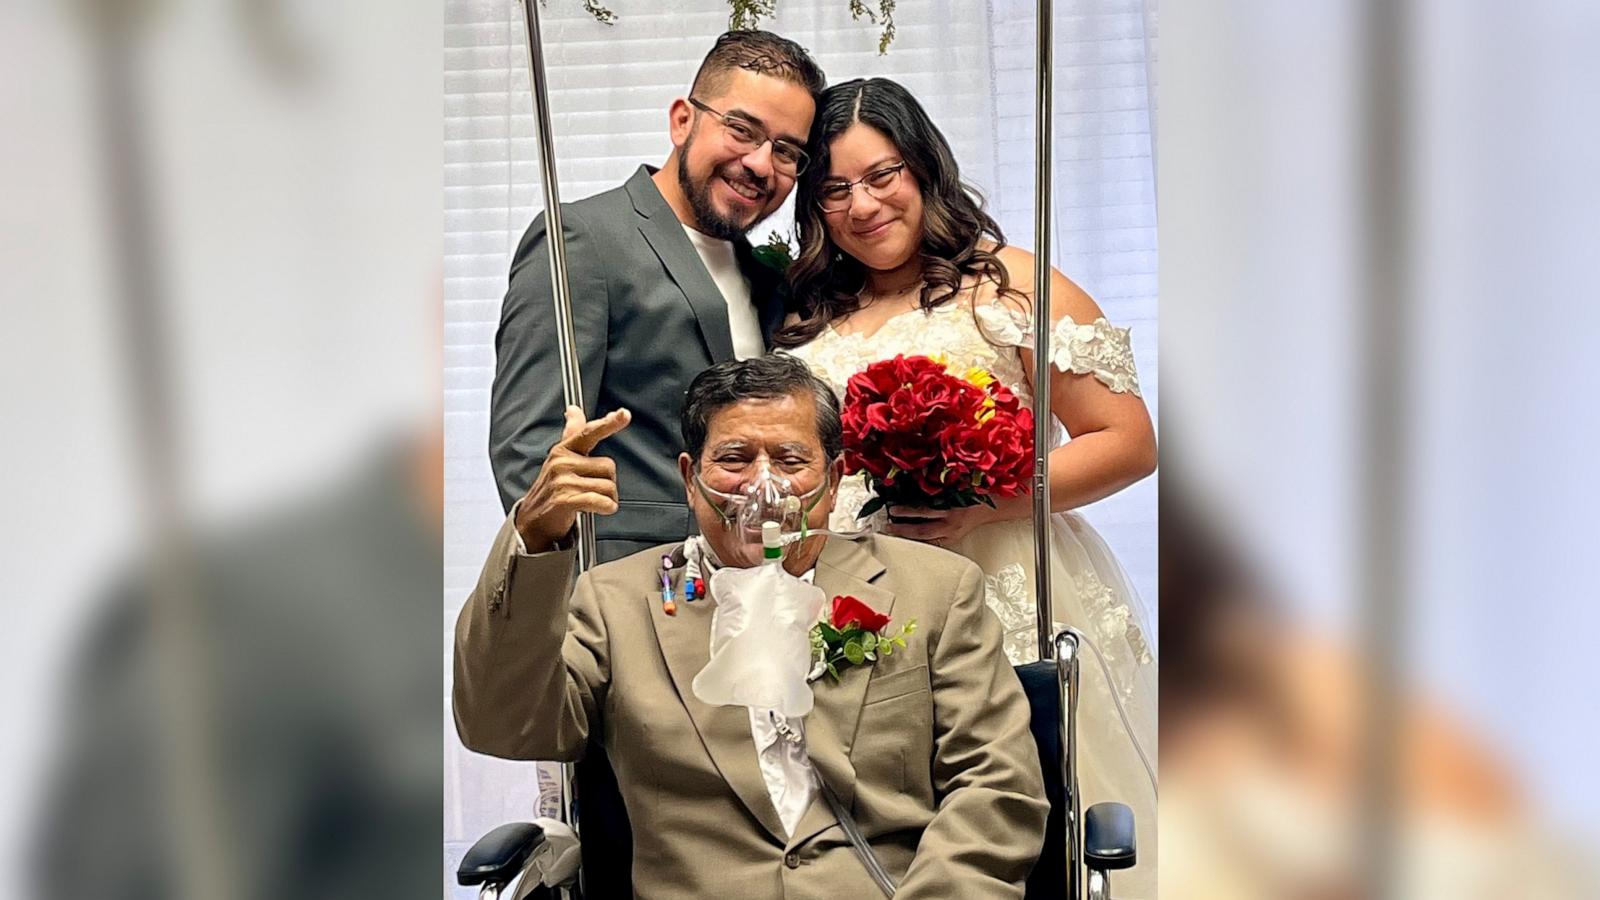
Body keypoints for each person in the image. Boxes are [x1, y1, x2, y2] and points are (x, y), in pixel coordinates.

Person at [454, 354, 1048, 898]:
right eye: (734, 459)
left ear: (834, 479)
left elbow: (995, 786)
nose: (763, 485)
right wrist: (534, 537)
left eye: (790, 460)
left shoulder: (935, 588)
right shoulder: (618, 599)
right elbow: (502, 726)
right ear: (691, 479)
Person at [777, 77, 1160, 897]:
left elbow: (1128, 441)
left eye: (882, 175)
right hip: (857, 600)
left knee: (1026, 813)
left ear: (923, 167)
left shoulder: (1011, 283)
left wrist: (985, 500)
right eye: (836, 189)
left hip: (1004, 582)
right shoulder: (810, 317)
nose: (864, 204)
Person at [491, 30, 825, 561]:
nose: (761, 164)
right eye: (742, 129)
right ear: (682, 120)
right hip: (628, 588)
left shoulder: (770, 276)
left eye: (786, 151)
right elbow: (527, 452)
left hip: (755, 587)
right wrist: (583, 590)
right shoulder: (582, 238)